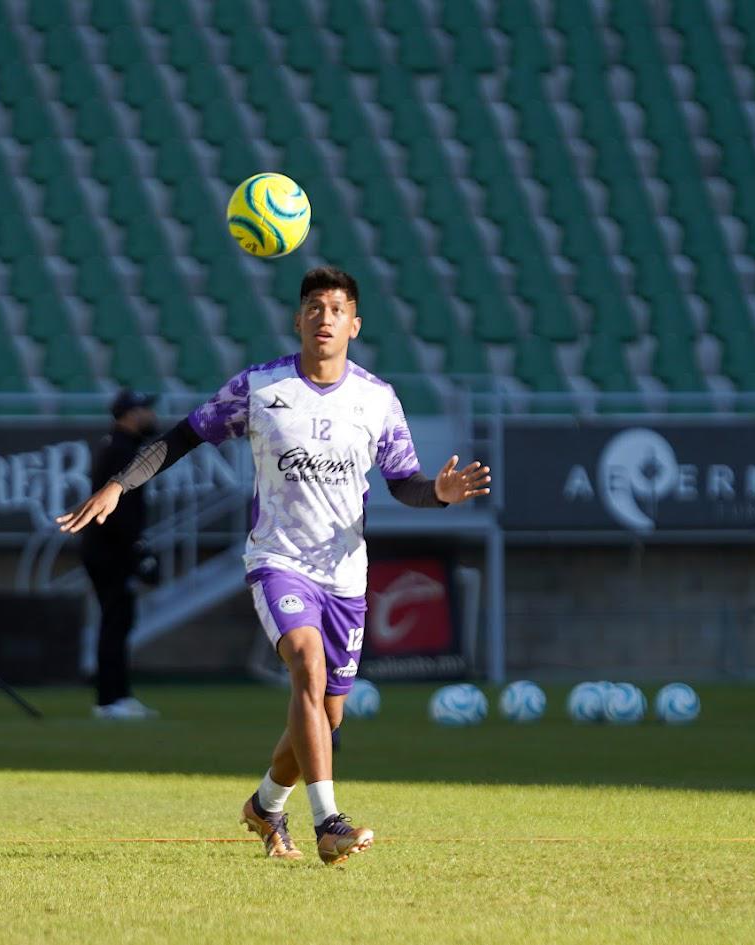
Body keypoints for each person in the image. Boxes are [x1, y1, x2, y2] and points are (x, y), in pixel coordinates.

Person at [57, 267, 491, 864]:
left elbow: (405, 485)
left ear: (355, 325)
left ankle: (264, 807)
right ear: (298, 319)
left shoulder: (377, 399)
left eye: (338, 309)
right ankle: (328, 824)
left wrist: (438, 493)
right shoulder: (260, 388)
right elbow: (182, 437)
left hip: (345, 573)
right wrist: (117, 484)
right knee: (306, 667)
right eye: (314, 306)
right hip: (277, 560)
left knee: (327, 713)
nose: (325, 317)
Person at [82, 388, 162, 721]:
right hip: (111, 552)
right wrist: (136, 550)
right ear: (130, 415)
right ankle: (111, 699)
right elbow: (118, 511)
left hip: (108, 550)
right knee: (115, 623)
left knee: (118, 622)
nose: (151, 416)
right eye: (145, 410)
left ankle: (116, 696)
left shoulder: (119, 447)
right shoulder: (120, 450)